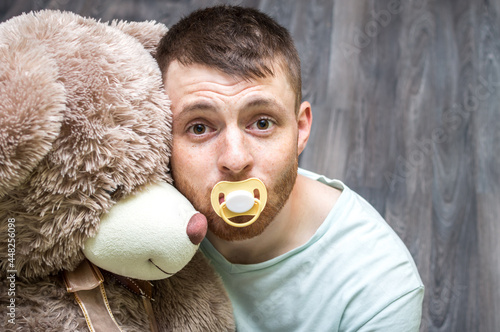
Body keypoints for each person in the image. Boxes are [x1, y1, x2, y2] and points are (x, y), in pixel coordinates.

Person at [156, 5, 424, 331]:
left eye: (262, 122)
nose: (235, 159)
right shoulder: (137, 227)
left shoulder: (379, 289)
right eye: (199, 127)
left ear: (301, 129)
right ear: (162, 136)